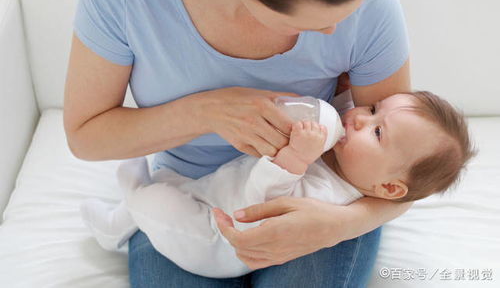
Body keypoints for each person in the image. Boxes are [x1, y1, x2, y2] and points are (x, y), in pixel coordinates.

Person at [64, 0, 413, 286]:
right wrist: (207, 111)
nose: (333, 28)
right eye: (308, 21)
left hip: (315, 189)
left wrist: (339, 225)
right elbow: (86, 135)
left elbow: (407, 167)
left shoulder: (371, 0)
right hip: (191, 191)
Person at [79, 90, 475, 279]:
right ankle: (129, 205)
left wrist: (293, 161)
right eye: (372, 109)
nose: (357, 117)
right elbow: (334, 109)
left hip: (215, 239)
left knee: (156, 204)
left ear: (388, 188)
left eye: (377, 132)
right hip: (207, 189)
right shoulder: (341, 152)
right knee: (169, 191)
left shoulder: (328, 201)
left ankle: (123, 210)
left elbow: (260, 208)